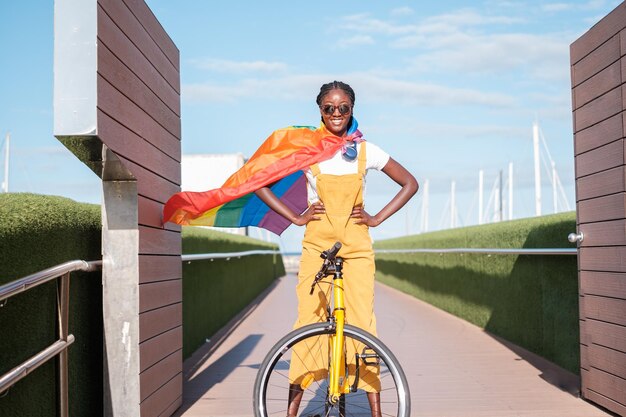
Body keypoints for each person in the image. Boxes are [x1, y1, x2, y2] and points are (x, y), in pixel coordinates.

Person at [254, 81, 418, 417]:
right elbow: (260, 183)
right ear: (320, 110)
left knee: (362, 322)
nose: (336, 113)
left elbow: (409, 183)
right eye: (329, 107)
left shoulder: (367, 150)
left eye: (343, 107)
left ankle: (377, 412)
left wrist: (376, 218)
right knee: (307, 321)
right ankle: (291, 411)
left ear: (353, 109)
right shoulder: (307, 151)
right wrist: (296, 218)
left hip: (357, 247)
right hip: (317, 244)